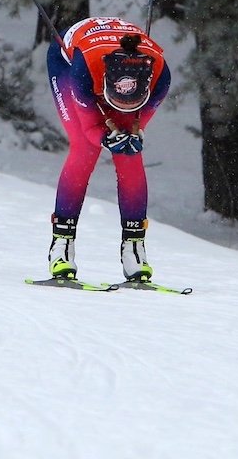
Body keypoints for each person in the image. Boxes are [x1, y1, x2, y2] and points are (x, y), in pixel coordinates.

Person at [45, 16, 171, 282]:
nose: (121, 110)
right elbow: (91, 126)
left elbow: (139, 122)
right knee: (84, 149)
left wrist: (135, 133)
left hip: (118, 63)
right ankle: (61, 245)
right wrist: (104, 137)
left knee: (129, 153)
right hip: (71, 59)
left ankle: (134, 247)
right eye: (116, 103)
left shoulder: (160, 74)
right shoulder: (84, 69)